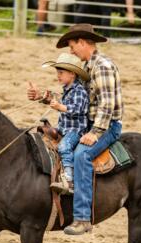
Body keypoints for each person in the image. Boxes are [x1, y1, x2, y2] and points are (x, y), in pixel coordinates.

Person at [28, 24, 124, 236]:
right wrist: (43, 96)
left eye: (72, 47)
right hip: (89, 123)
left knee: (82, 155)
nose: (71, 52)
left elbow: (107, 105)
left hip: (107, 125)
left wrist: (95, 132)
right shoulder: (88, 67)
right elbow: (72, 97)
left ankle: (82, 218)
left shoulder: (103, 66)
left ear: (82, 42)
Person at [41, 53, 90, 194]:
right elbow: (57, 99)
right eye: (57, 72)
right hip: (65, 128)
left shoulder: (79, 91)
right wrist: (42, 97)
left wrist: (60, 107)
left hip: (75, 131)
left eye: (61, 73)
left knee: (64, 146)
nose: (58, 75)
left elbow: (78, 109)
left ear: (72, 74)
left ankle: (69, 180)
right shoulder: (67, 90)